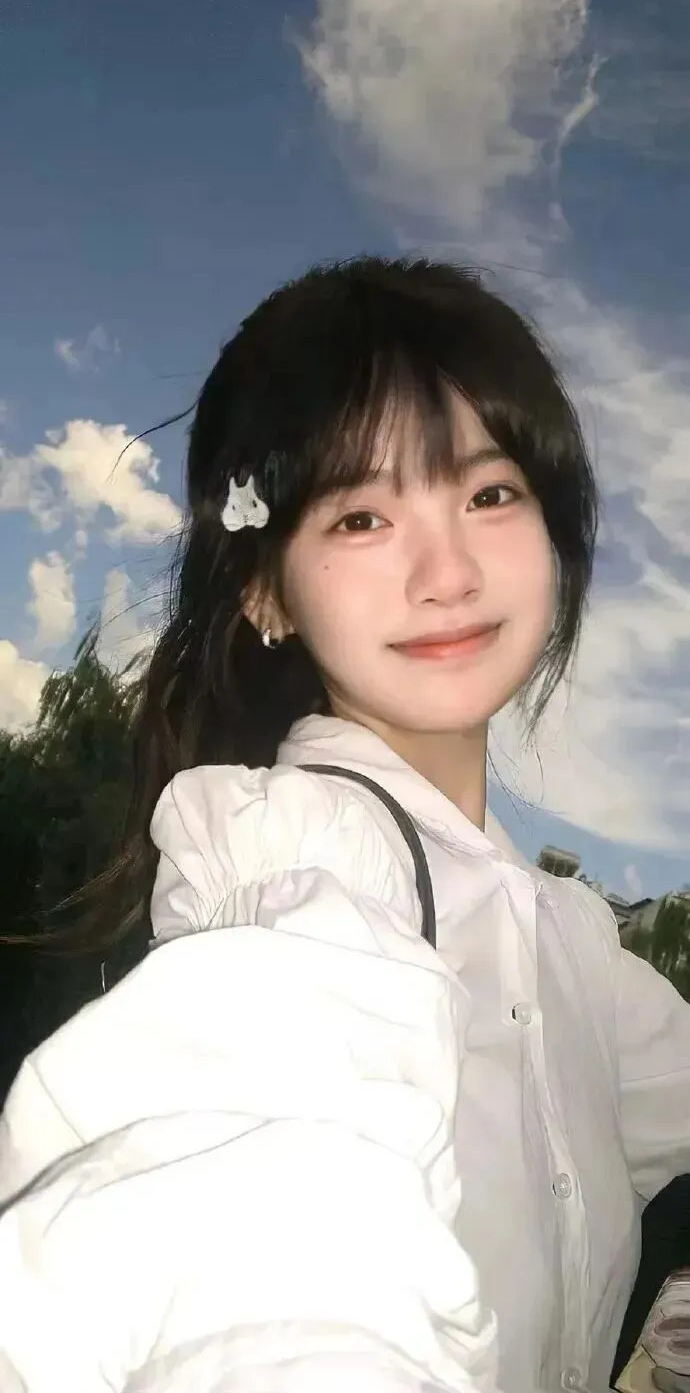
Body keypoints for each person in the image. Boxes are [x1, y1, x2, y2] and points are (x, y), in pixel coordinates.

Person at [0, 255, 688, 1393]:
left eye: (490, 494)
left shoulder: (573, 939)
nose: (447, 571)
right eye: (363, 515)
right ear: (266, 589)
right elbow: (258, 1212)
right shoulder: (292, 850)